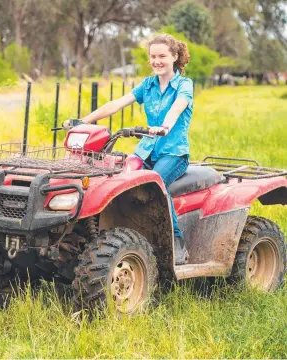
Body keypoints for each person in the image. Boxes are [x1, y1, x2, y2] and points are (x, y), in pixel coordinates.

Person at [63, 33, 192, 265]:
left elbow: (178, 107)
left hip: (173, 152)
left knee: (157, 183)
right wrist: (85, 120)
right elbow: (116, 104)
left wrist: (164, 127)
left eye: (162, 56)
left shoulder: (184, 84)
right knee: (116, 177)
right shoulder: (148, 84)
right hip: (146, 150)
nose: (157, 61)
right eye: (153, 56)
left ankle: (177, 242)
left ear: (174, 56)